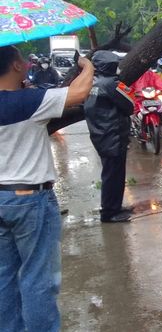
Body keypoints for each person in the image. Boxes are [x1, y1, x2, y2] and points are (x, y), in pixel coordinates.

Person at [0, 44, 94, 331]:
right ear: (15, 66)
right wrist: (87, 67)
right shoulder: (28, 102)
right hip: (30, 199)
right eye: (22, 60)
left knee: (3, 277)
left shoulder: (27, 98)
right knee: (39, 279)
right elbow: (79, 93)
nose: (27, 64)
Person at [83, 51, 136, 223]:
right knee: (114, 175)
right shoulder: (111, 84)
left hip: (101, 134)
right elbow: (129, 106)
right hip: (113, 135)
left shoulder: (93, 83)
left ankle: (114, 207)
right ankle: (109, 212)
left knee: (111, 174)